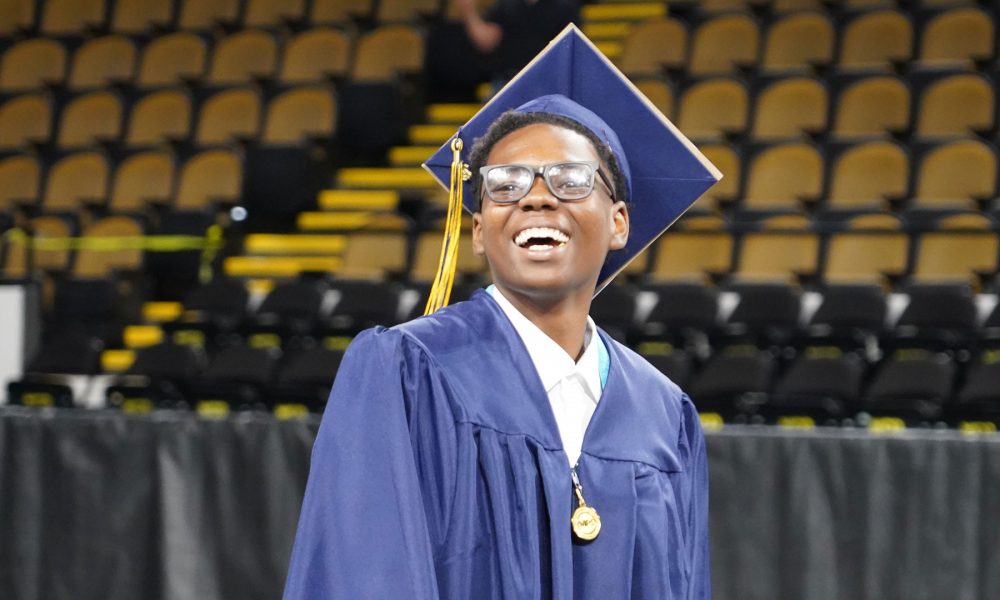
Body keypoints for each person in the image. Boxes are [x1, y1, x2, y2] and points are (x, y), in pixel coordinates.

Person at [283, 25, 720, 599]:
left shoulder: (665, 415)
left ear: (618, 223)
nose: (536, 196)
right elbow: (362, 571)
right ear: (480, 231)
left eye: (570, 180)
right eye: (506, 183)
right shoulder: (409, 373)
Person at [454, 0, 579, 89]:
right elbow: (486, 41)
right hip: (509, 81)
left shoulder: (564, 7)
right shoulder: (505, 6)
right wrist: (469, 11)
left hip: (549, 81)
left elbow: (573, 46)